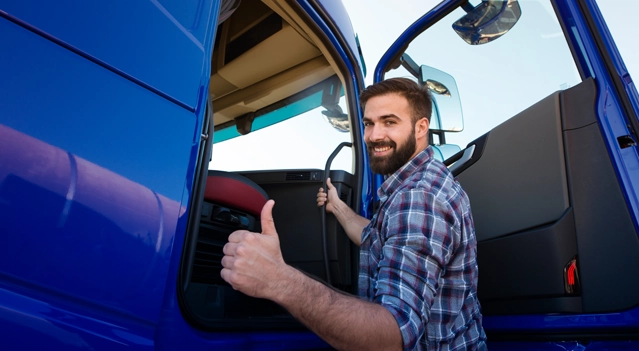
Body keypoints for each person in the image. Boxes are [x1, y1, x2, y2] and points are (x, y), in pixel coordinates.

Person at [221, 77, 486, 350]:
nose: (374, 135)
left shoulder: (419, 198)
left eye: (389, 122)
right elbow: (374, 238)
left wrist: (278, 280)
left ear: (421, 127)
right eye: (369, 123)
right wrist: (337, 206)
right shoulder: (416, 183)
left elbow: (392, 336)